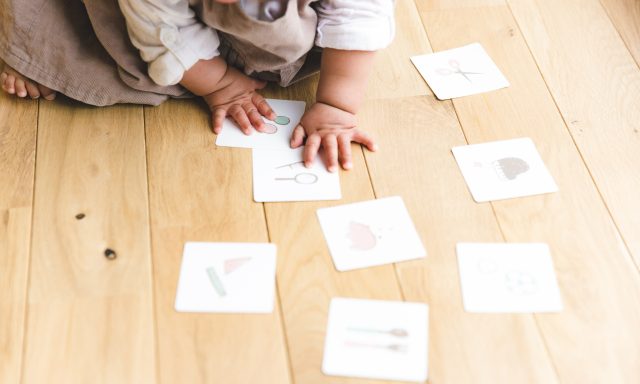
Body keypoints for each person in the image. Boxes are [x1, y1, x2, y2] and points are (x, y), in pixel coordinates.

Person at [0, 0, 395, 171]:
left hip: (288, 26)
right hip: (150, 18)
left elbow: (359, 14)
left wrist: (337, 105)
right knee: (84, 46)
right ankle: (34, 47)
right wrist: (221, 84)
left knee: (329, 41)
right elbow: (162, 30)